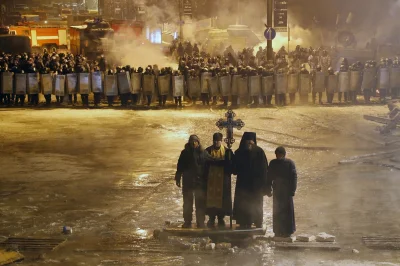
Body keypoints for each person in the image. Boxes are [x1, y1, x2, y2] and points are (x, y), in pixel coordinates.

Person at [232, 132, 268, 229]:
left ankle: (257, 222)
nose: (249, 143)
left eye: (251, 141)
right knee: (243, 204)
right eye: (247, 141)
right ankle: (244, 222)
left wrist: (264, 185)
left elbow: (264, 169)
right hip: (243, 184)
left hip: (256, 184)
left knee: (256, 204)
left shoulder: (260, 152)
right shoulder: (239, 152)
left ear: (254, 141)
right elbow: (234, 170)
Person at [175, 135, 212, 228]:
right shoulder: (185, 153)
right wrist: (178, 177)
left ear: (198, 142)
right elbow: (180, 166)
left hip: (200, 182)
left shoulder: (203, 153)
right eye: (192, 141)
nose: (194, 143)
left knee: (200, 203)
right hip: (188, 182)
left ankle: (200, 222)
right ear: (189, 143)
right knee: (187, 203)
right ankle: (187, 221)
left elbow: (211, 161)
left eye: (196, 141)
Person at [266, 146, 297, 237]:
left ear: (283, 155)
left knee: (288, 211)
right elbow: (269, 177)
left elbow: (294, 177)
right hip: (277, 191)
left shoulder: (290, 163)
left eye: (279, 155)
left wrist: (292, 190)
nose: (278, 156)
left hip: (287, 192)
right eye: (276, 155)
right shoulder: (273, 163)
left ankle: (288, 231)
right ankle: (277, 230)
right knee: (277, 211)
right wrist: (268, 188)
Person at [204, 133, 233, 228]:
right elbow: (204, 164)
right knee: (211, 200)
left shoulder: (226, 151)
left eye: (218, 141)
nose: (216, 142)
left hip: (222, 180)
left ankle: (221, 218)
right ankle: (211, 218)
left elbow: (230, 165)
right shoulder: (207, 151)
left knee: (222, 200)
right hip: (211, 180)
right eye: (215, 141)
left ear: (221, 140)